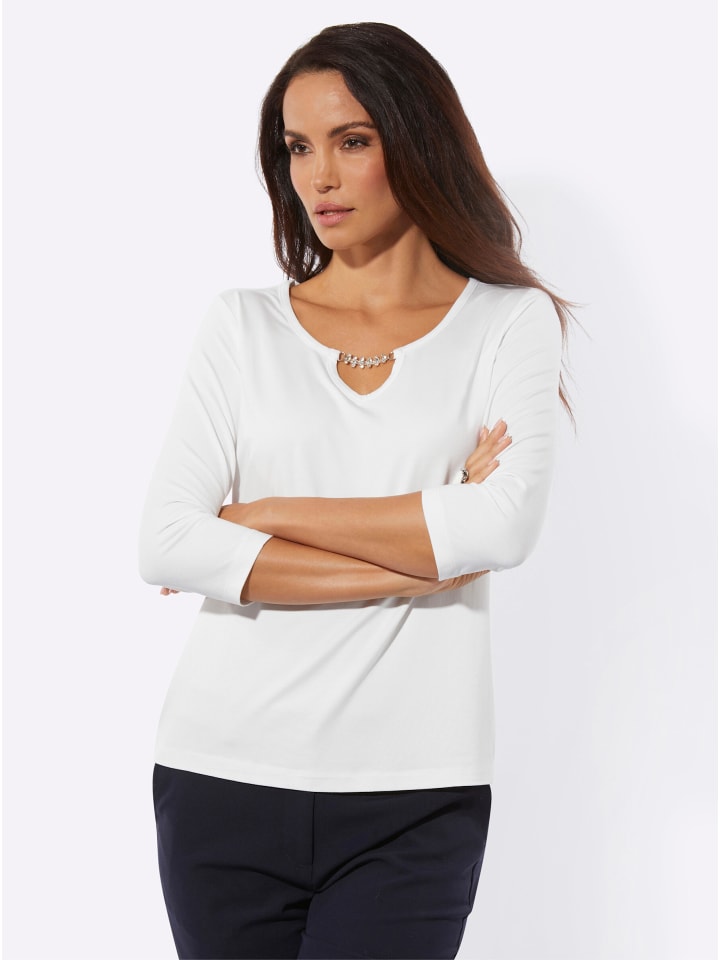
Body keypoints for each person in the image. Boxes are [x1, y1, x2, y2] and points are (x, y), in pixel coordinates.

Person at [139, 21, 571, 960]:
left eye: (352, 140)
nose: (319, 177)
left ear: (417, 141)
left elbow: (503, 527)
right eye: (298, 147)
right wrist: (429, 556)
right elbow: (168, 542)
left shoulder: (508, 324)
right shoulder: (242, 325)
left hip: (414, 790)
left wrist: (259, 518)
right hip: (220, 772)